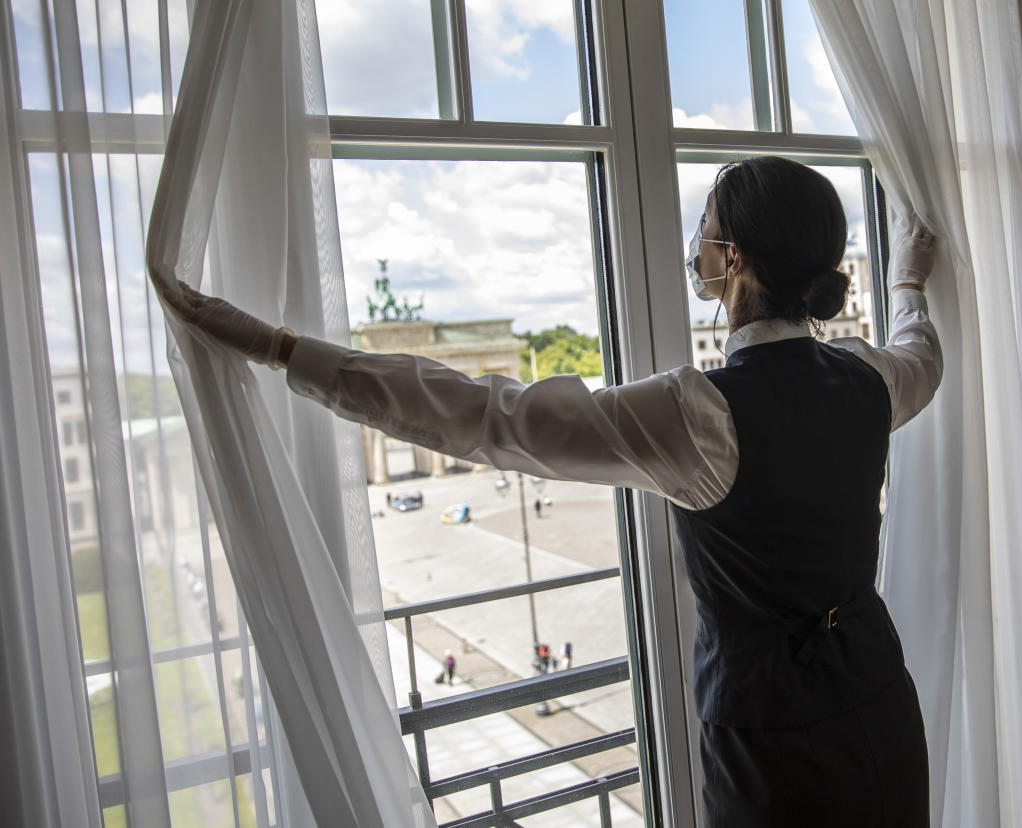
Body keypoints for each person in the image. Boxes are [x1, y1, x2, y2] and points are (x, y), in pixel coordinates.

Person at [162, 156, 941, 826]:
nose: (692, 245)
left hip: (772, 748)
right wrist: (906, 279)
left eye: (701, 227)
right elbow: (922, 355)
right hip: (881, 706)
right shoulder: (868, 378)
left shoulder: (696, 412)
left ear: (730, 258)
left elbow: (486, 416)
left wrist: (283, 349)